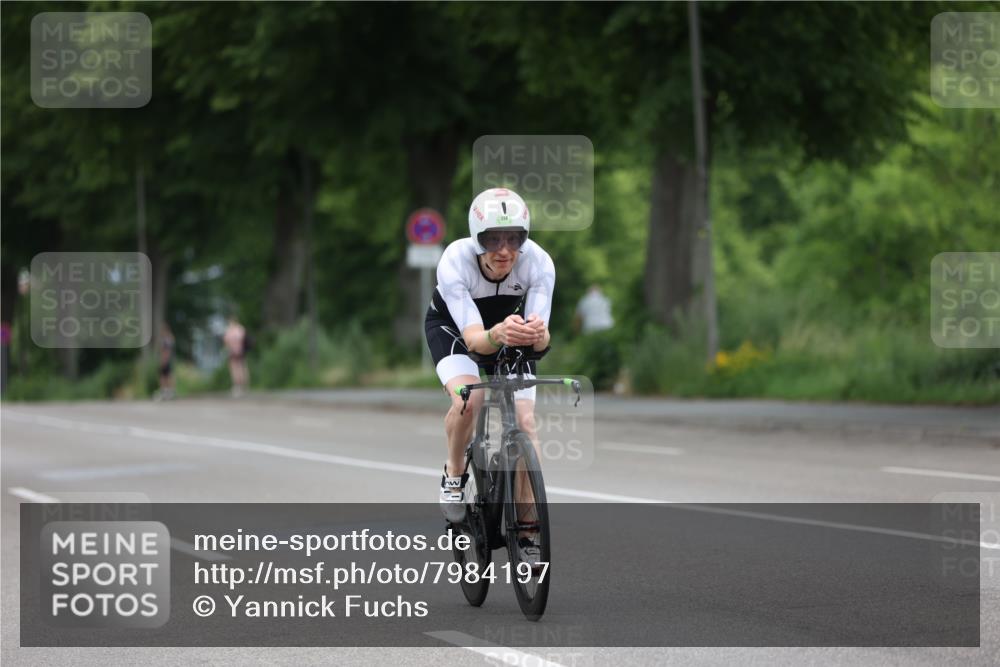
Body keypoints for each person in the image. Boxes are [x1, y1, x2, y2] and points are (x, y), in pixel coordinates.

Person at [424, 187, 555, 556]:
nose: (504, 250)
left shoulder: (539, 263)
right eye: (492, 239)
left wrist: (539, 336)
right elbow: (475, 341)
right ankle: (454, 474)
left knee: (527, 423)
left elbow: (539, 342)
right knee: (472, 398)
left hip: (508, 330)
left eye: (514, 239)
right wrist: (497, 334)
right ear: (475, 239)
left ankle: (529, 530)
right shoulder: (454, 260)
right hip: (455, 329)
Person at [223, 316, 249, 397]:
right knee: (241, 368)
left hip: (235, 351)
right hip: (240, 352)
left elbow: (226, 341)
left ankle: (238, 386)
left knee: (236, 369)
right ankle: (243, 386)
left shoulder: (231, 331)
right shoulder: (240, 329)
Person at [155, 323, 175, 400]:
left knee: (165, 376)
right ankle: (167, 391)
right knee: (166, 376)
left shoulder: (167, 339)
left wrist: (164, 360)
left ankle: (166, 392)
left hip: (166, 360)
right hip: (167, 360)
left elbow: (166, 351)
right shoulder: (169, 339)